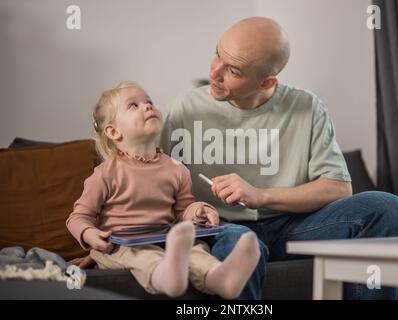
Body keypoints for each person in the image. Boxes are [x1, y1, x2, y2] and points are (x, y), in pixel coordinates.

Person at [159, 17, 398, 299]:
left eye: (233, 70)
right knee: (241, 242)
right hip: (224, 227)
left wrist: (260, 196)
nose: (214, 72)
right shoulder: (183, 108)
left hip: (294, 227)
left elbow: (338, 187)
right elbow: (152, 177)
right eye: (217, 53)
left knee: (386, 207)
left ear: (266, 81)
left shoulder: (307, 107)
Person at [66, 81, 261, 299]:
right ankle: (168, 277)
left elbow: (184, 212)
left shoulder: (176, 169)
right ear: (113, 131)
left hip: (165, 239)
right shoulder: (105, 174)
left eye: (149, 102)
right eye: (133, 106)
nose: (147, 107)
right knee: (143, 256)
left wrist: (199, 210)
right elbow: (78, 217)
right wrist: (89, 234)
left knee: (196, 249)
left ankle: (220, 279)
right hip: (120, 245)